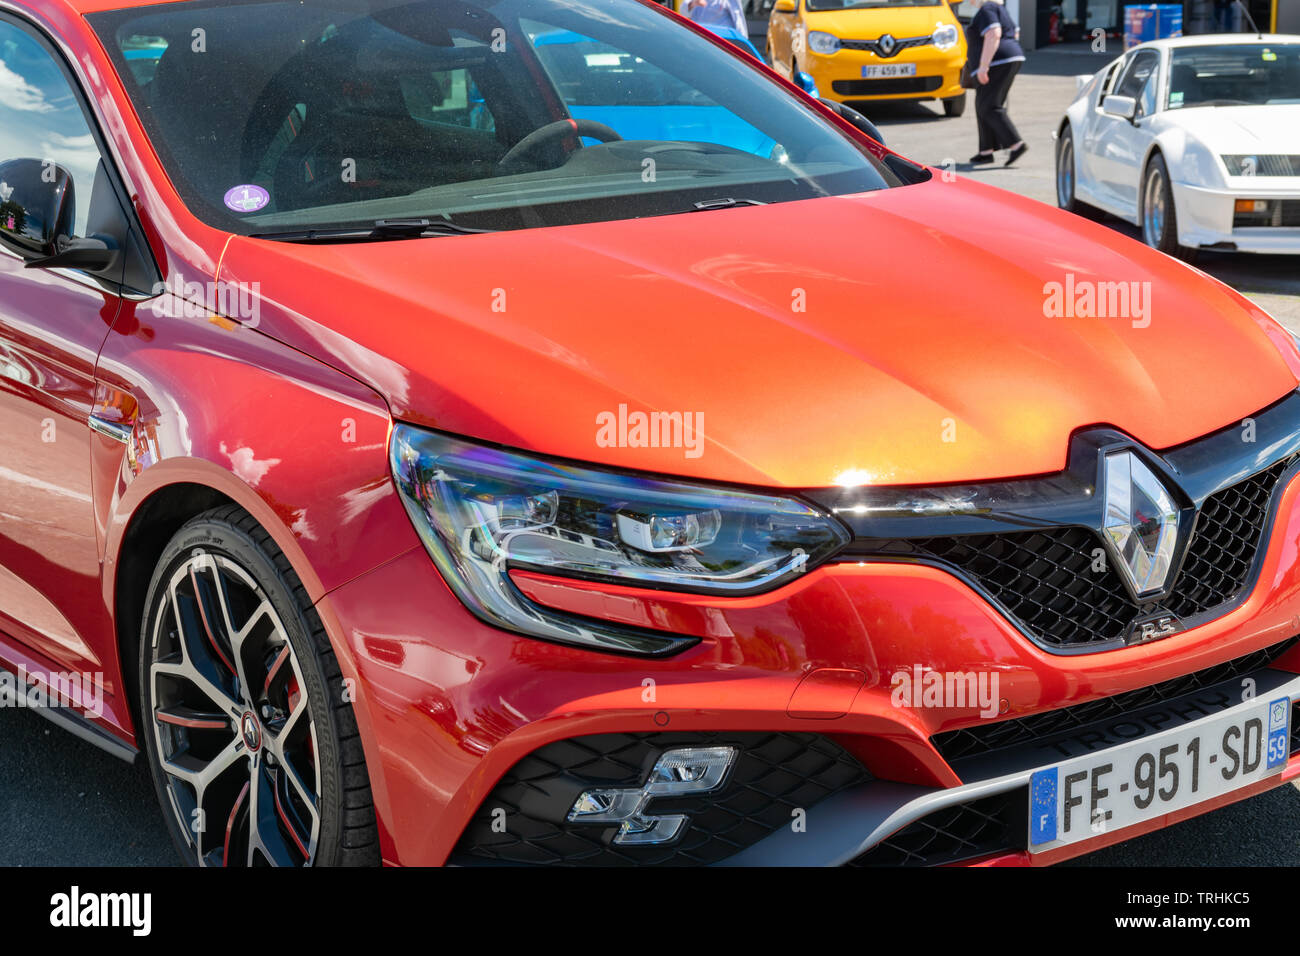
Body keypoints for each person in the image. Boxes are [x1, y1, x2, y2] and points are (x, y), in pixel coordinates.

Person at [966, 0, 1028, 167]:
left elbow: (994, 33)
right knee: (983, 105)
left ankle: (1016, 144)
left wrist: (983, 66)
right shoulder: (998, 8)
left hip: (997, 63)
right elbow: (1015, 33)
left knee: (989, 106)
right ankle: (986, 151)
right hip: (1007, 59)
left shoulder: (988, 8)